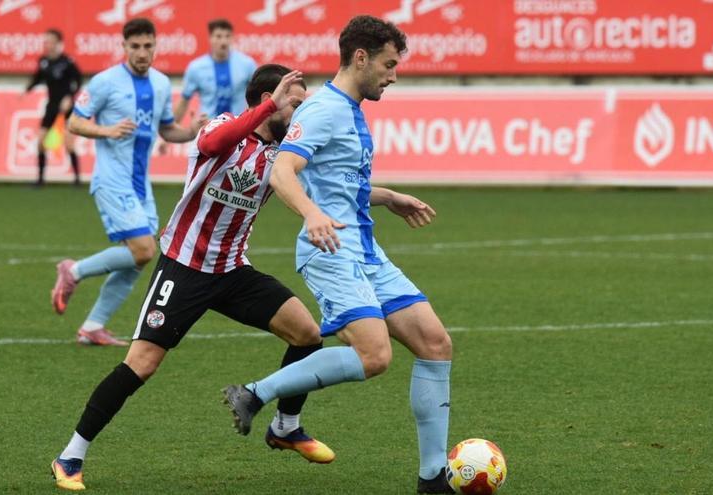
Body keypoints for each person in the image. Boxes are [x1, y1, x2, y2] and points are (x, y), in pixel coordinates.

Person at [50, 65, 335, 492]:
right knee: (141, 365)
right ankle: (70, 455)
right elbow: (217, 141)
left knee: (308, 334)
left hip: (233, 271)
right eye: (295, 102)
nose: (300, 111)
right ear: (266, 100)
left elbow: (328, 185)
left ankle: (285, 427)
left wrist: (387, 197)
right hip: (183, 268)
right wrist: (273, 104)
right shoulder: (223, 127)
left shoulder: (284, 155)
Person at [222, 15, 455, 494]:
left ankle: (433, 478)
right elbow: (283, 171)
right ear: (361, 57)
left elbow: (339, 186)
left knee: (435, 343)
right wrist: (310, 215)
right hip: (329, 251)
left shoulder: (350, 109)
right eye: (389, 65)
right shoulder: (325, 108)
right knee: (374, 356)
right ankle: (255, 394)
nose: (394, 75)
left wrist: (387, 196)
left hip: (364, 249)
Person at [49, 18, 206, 347]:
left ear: (155, 46)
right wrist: (106, 130)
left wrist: (192, 131)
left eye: (147, 46)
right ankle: (73, 271)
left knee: (140, 258)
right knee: (144, 249)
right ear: (124, 47)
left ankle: (93, 326)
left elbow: (167, 130)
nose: (141, 53)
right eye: (134, 46)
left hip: (140, 184)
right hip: (111, 181)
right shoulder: (105, 82)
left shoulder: (162, 84)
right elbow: (75, 123)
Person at [23, 28, 83, 186]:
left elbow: (78, 81)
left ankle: (77, 179)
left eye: (50, 41)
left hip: (67, 106)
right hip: (52, 105)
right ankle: (40, 179)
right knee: (40, 141)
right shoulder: (43, 61)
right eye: (45, 41)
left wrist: (70, 97)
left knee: (68, 143)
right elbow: (37, 78)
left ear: (58, 43)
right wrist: (26, 91)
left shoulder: (67, 62)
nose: (47, 44)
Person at [174, 18, 256, 122]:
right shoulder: (196, 68)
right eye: (218, 36)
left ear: (232, 38)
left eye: (227, 36)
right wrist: (171, 130)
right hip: (207, 129)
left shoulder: (247, 64)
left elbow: (259, 99)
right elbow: (184, 100)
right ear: (210, 38)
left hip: (239, 129)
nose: (224, 41)